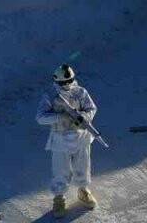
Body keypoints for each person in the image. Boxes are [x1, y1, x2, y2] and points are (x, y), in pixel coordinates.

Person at [36, 64, 99, 217]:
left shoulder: (81, 92)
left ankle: (83, 190)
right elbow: (40, 118)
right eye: (63, 82)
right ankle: (59, 198)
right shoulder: (50, 96)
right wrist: (60, 117)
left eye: (69, 80)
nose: (67, 84)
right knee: (60, 169)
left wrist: (84, 117)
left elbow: (92, 108)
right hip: (60, 138)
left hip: (81, 137)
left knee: (83, 165)